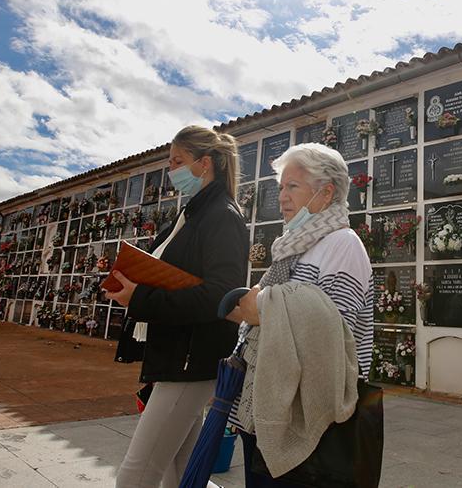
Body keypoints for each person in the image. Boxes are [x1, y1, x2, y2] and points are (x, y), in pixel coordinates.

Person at [104, 126, 248, 488]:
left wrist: (140, 298)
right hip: (176, 356)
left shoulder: (222, 216)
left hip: (192, 361)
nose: (171, 170)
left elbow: (221, 294)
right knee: (179, 473)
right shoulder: (192, 215)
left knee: (136, 475)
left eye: (177, 161)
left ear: (204, 163)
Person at [225, 143, 375, 487]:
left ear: (326, 193)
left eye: (293, 186)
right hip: (268, 409)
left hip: (307, 420)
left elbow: (335, 333)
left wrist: (263, 307)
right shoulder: (294, 245)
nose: (282, 197)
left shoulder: (343, 244)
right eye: (281, 187)